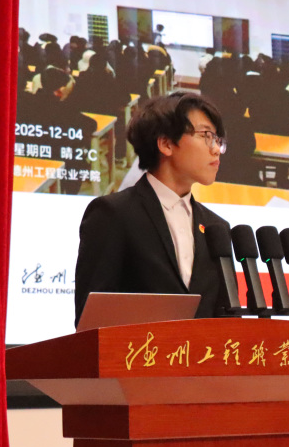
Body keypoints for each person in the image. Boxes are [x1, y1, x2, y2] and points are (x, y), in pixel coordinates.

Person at [73, 92, 231, 324]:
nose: (216, 149)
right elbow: (91, 319)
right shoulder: (113, 214)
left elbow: (225, 319)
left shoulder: (216, 227)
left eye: (217, 139)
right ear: (166, 144)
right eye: (206, 136)